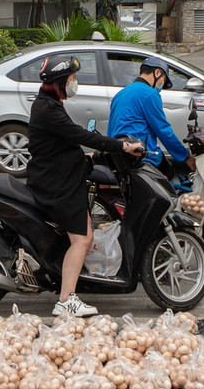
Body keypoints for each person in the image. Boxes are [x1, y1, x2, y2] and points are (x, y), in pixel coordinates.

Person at [28, 54, 143, 318]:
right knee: (82, 239)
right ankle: (66, 300)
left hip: (58, 175)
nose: (74, 83)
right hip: (57, 184)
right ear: (60, 81)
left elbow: (61, 143)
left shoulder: (49, 104)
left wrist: (89, 157)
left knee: (83, 236)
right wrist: (122, 146)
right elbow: (80, 135)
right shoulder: (48, 109)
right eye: (72, 78)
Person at [107, 56, 193, 176]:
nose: (161, 86)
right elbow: (163, 130)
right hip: (141, 155)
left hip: (120, 156)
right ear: (157, 72)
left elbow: (111, 128)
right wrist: (185, 156)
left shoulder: (121, 94)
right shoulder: (149, 94)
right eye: (163, 80)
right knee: (168, 173)